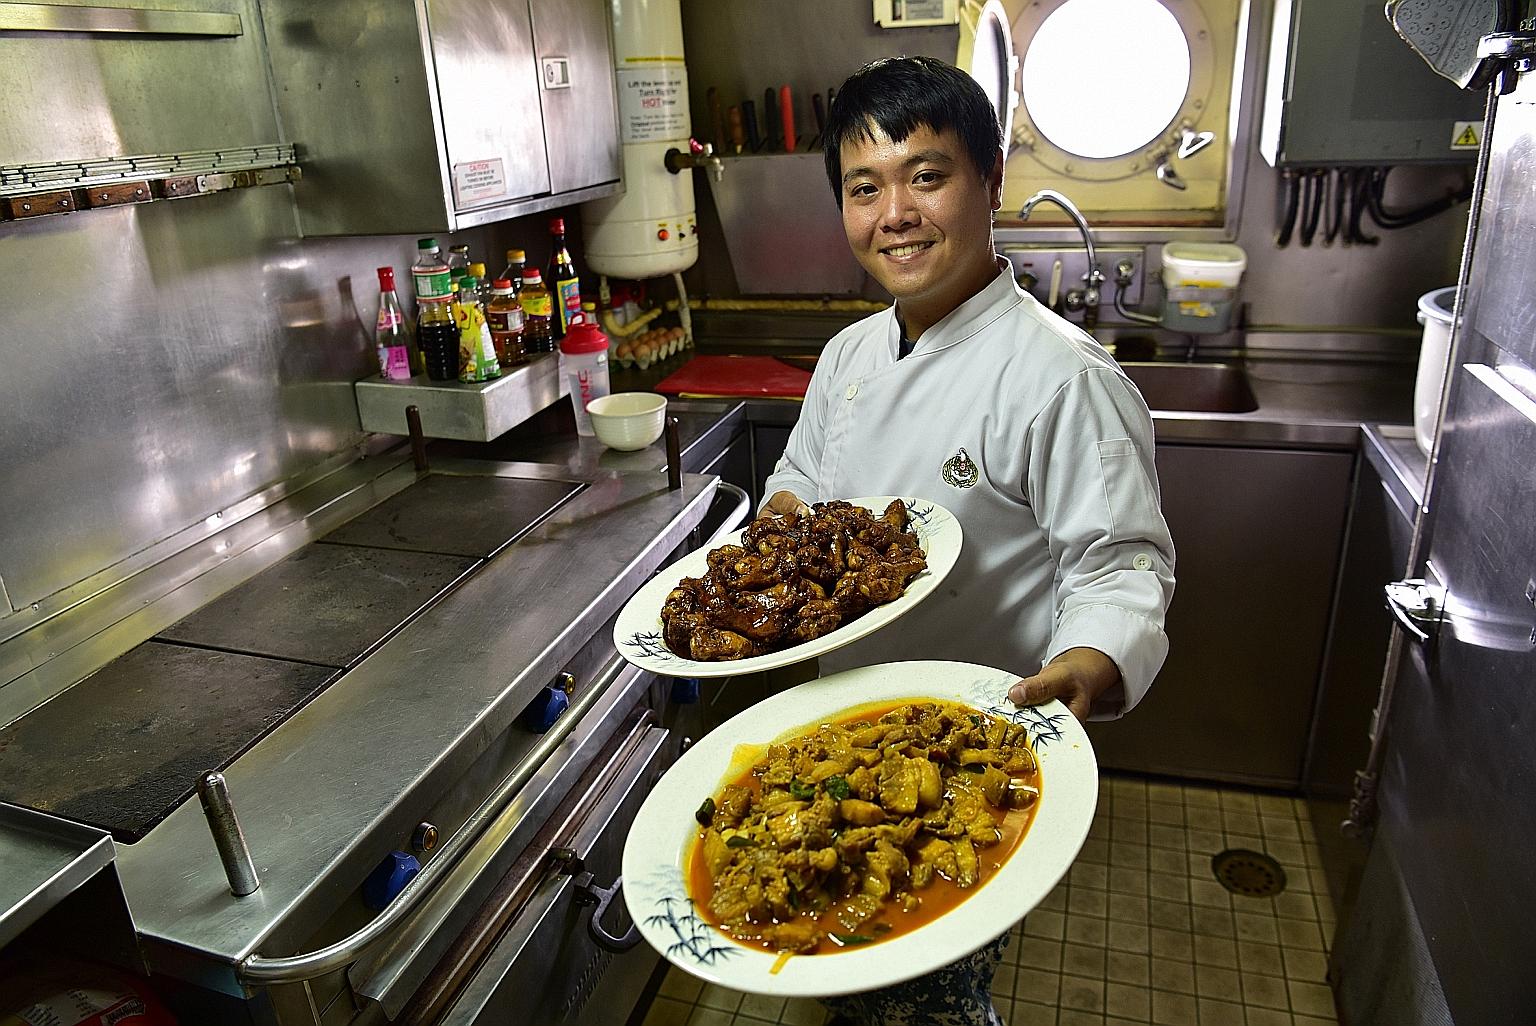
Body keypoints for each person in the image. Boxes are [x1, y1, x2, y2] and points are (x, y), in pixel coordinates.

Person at [759, 56, 1176, 1025]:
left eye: (927, 176)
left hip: (962, 748)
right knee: (848, 954)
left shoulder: (1061, 377)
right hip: (840, 720)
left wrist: (1088, 660)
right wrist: (779, 524)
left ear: (991, 182)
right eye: (865, 189)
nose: (895, 214)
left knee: (930, 995)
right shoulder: (849, 352)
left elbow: (1120, 562)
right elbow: (802, 479)